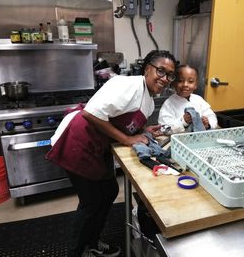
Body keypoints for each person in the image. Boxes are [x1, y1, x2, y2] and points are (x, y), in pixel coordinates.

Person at [45, 50, 177, 257]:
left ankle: (93, 242)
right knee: (90, 203)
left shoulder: (149, 101)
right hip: (79, 142)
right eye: (161, 71)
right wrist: (126, 139)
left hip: (99, 146)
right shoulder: (127, 85)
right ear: (147, 68)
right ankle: (76, 252)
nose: (165, 79)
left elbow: (123, 123)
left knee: (108, 191)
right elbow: (91, 113)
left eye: (170, 75)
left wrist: (143, 131)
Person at [158, 64, 218, 134]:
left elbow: (212, 117)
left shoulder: (199, 100)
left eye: (190, 81)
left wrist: (207, 124)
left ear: (196, 85)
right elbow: (164, 128)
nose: (185, 84)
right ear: (174, 83)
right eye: (180, 80)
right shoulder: (169, 104)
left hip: (200, 138)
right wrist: (183, 121)